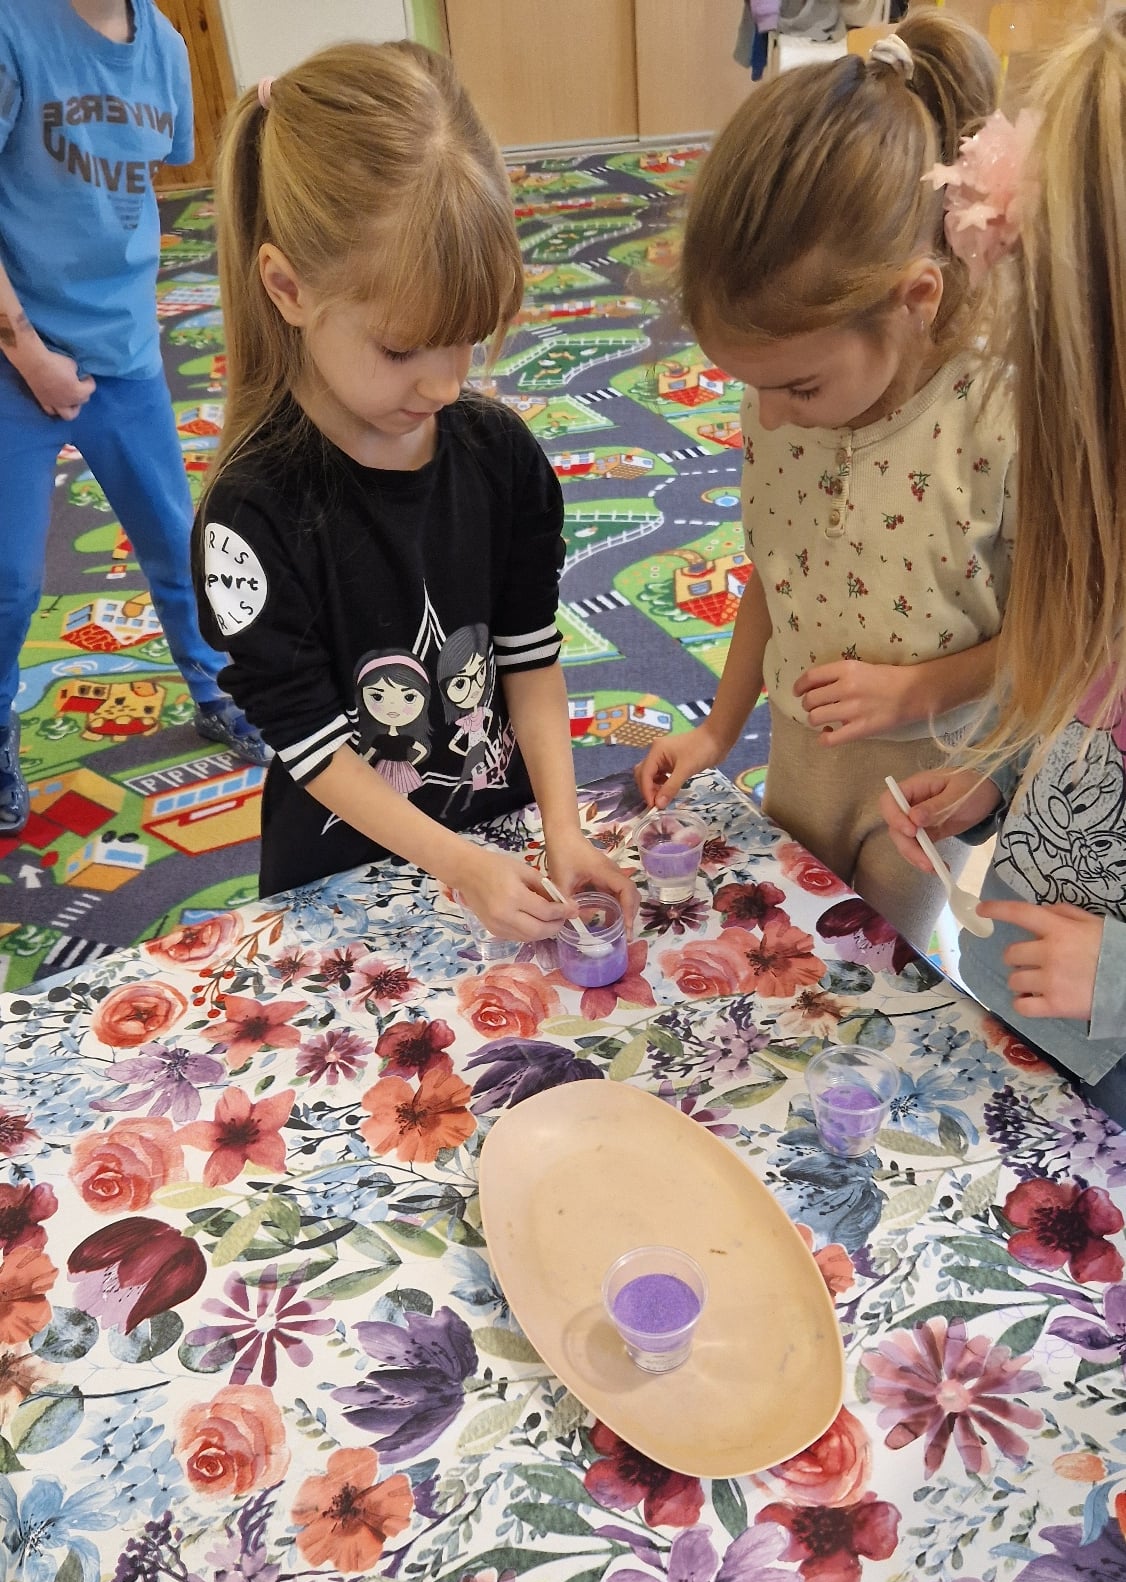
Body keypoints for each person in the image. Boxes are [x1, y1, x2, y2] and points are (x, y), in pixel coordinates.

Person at [193, 40, 635, 939]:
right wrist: (456, 865)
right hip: (346, 878)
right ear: (288, 288)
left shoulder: (500, 457)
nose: (444, 383)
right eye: (402, 348)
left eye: (466, 338)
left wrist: (562, 828)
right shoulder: (251, 516)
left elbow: (528, 656)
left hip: (500, 839)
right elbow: (309, 743)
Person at [637, 11, 1010, 949]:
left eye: (796, 387)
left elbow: (1061, 642)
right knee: (793, 949)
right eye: (752, 387)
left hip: (931, 772)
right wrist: (720, 728)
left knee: (881, 965)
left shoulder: (995, 416)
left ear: (914, 299)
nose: (767, 418)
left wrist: (915, 693)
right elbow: (776, 573)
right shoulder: (789, 405)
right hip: (802, 748)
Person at [882, 12, 1126, 1125]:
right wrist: (996, 774)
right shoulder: (1100, 519)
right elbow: (1087, 698)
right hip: (1029, 1018)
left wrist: (1117, 978)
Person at [0, 0, 269, 838]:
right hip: (15, 354)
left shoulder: (165, 46)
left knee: (177, 543)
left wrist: (269, 122)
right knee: (10, 579)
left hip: (124, 352)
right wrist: (27, 350)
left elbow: (163, 173)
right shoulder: (13, 29)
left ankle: (215, 687)